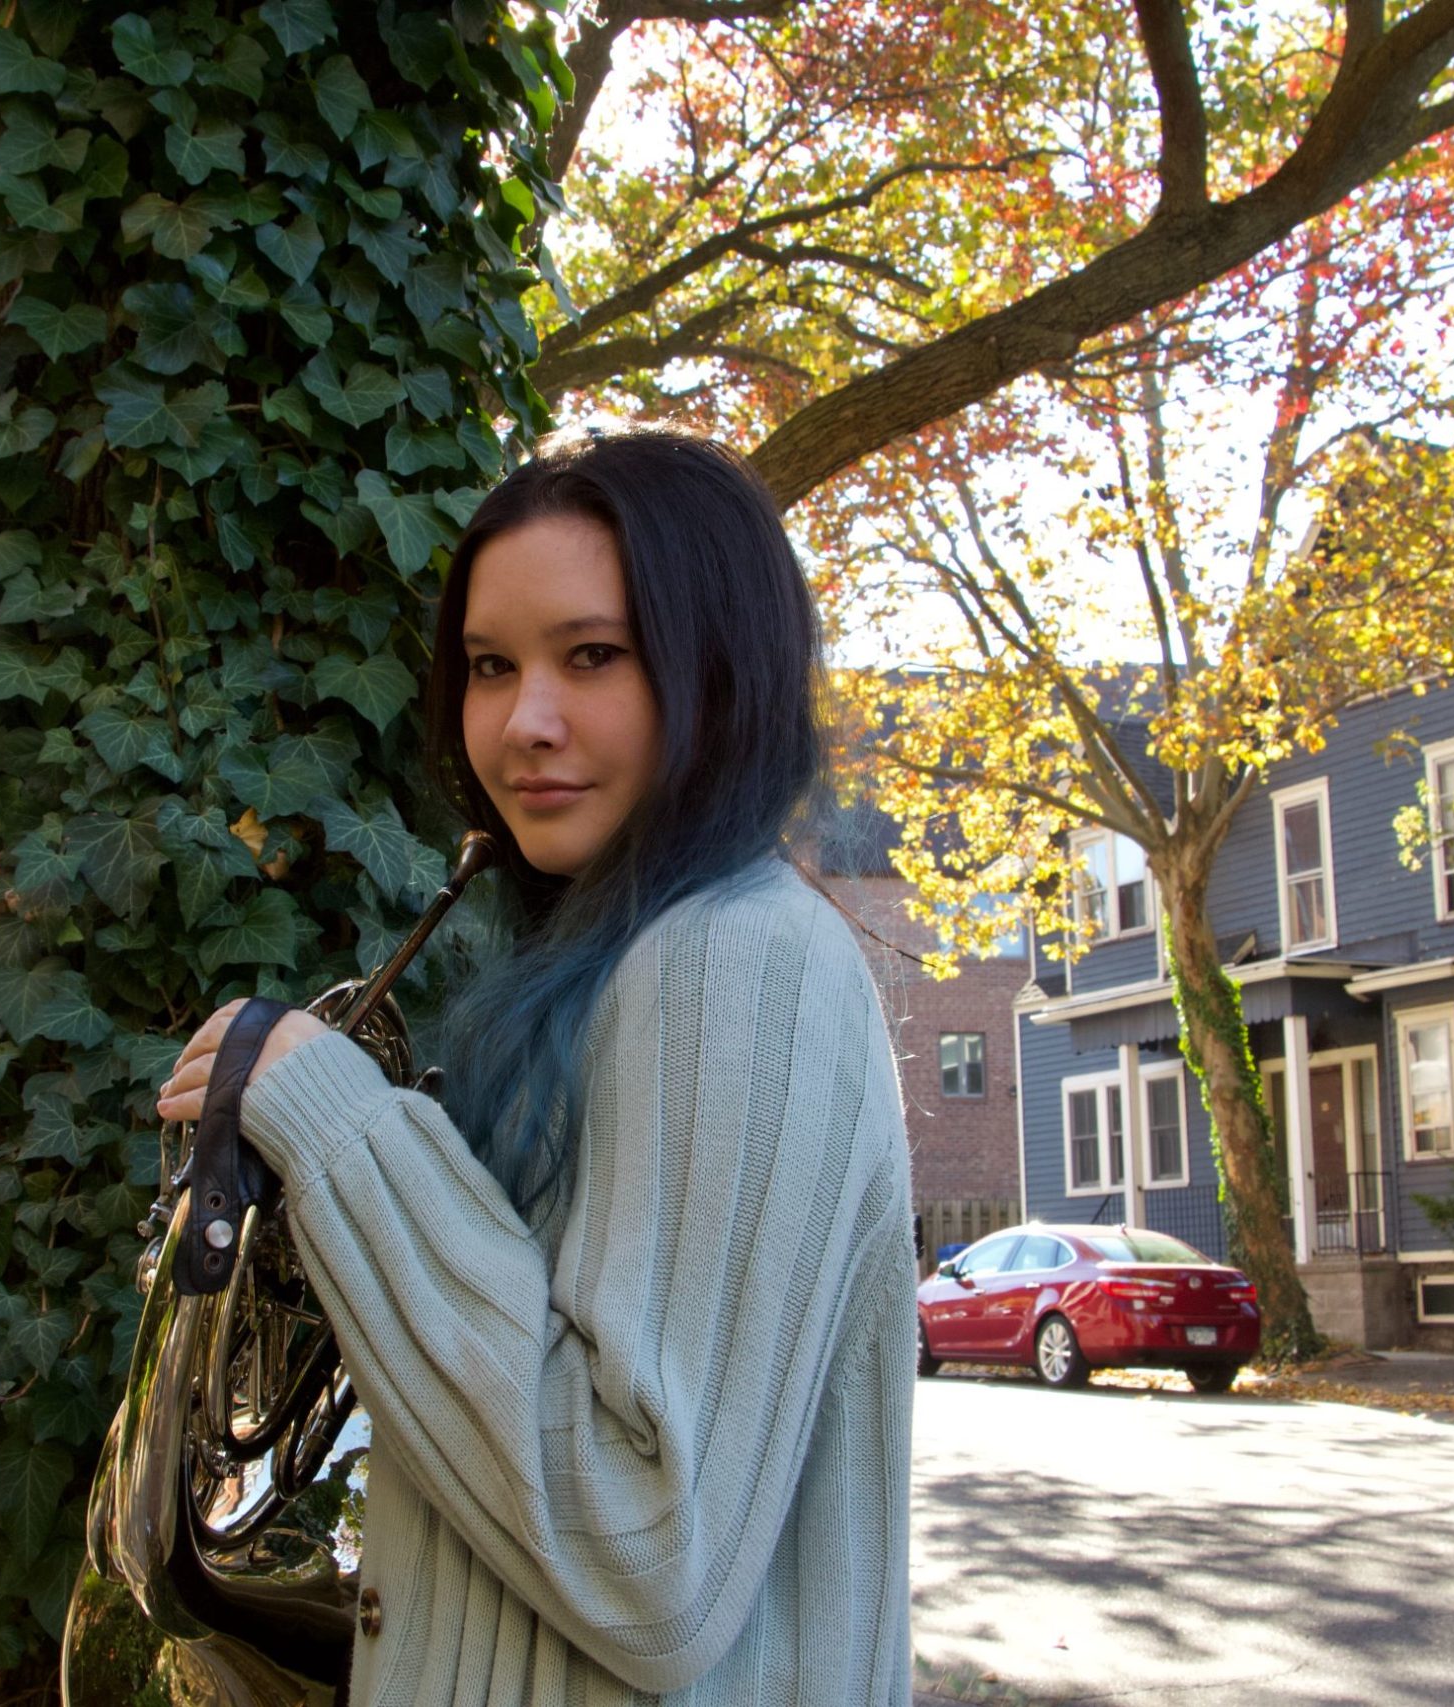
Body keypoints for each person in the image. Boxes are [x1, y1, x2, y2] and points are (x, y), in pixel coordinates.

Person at [158, 426, 913, 1706]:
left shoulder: (734, 960)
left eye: (594, 656)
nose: (525, 722)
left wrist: (341, 1132)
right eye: (489, 667)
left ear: (721, 673)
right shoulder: (634, 951)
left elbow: (650, 1557)